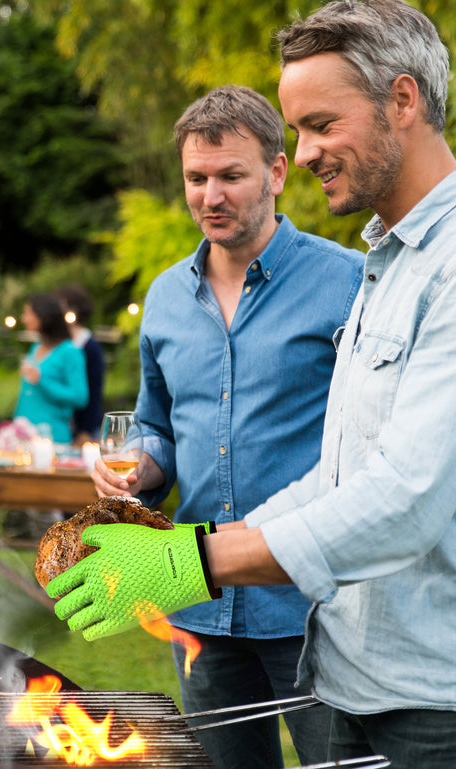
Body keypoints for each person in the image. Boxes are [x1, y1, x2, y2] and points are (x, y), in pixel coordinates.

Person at [48, 4, 456, 769]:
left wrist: (187, 563)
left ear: (403, 101)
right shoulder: (391, 270)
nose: (301, 156)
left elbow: (403, 497)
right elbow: (339, 477)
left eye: (320, 125)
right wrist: (190, 547)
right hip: (368, 677)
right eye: (297, 131)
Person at [89, 85, 364, 768]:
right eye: (197, 177)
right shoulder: (162, 297)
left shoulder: (350, 282)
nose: (211, 194)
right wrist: (140, 464)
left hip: (311, 605)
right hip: (199, 608)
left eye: (230, 175)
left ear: (275, 172)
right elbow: (156, 425)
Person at [14, 293, 89, 446]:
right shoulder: (36, 347)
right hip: (23, 436)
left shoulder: (70, 352)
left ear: (44, 317)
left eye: (28, 313)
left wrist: (43, 381)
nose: (24, 318)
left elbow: (80, 397)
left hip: (52, 438)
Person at [54, 284, 105, 446]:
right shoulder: (56, 343)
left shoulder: (89, 345)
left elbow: (94, 389)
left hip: (83, 426)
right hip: (61, 424)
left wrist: (86, 430)